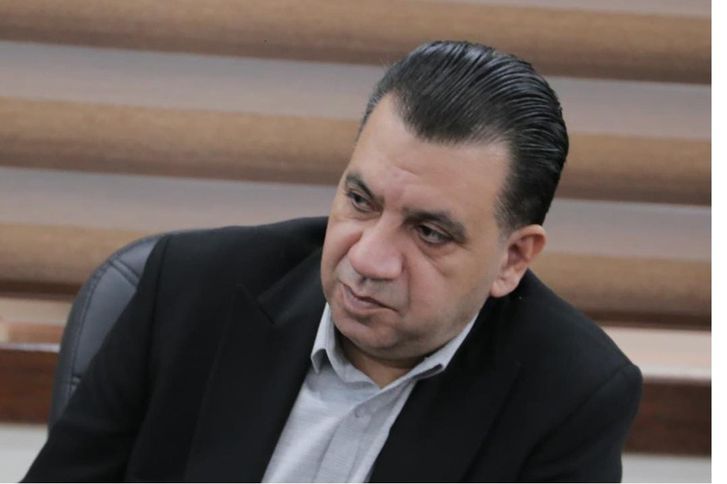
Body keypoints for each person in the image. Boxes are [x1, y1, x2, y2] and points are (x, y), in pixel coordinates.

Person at [24, 41, 642, 482]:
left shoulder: (570, 394)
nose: (368, 259)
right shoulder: (190, 288)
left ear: (513, 258)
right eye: (360, 201)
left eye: (429, 232)